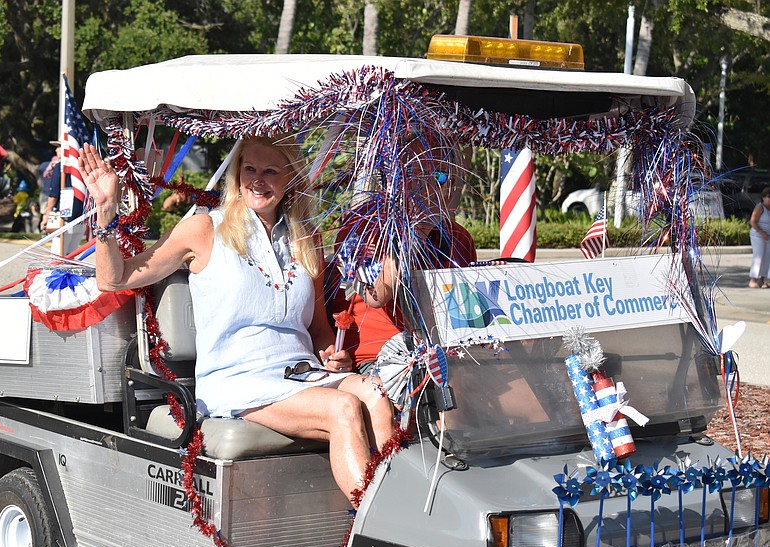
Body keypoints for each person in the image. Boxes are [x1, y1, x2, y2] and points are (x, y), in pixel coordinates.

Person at [79, 137, 394, 506]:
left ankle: (392, 517)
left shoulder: (306, 239)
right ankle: (382, 533)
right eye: (250, 170)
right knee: (343, 409)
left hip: (301, 374)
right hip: (239, 380)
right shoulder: (204, 229)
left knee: (376, 396)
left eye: (271, 171)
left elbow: (319, 330)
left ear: (291, 178)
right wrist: (105, 211)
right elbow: (114, 279)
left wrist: (331, 353)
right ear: (237, 174)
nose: (257, 180)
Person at [327, 139, 477, 408]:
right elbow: (376, 295)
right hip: (380, 358)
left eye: (439, 176)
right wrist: (411, 237)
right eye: (411, 174)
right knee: (439, 399)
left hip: (444, 353)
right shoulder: (363, 224)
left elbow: (464, 311)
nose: (426, 187)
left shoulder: (458, 237)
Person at [748, 186, 770, 288]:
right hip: (757, 235)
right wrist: (762, 233)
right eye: (769, 196)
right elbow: (752, 221)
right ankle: (752, 280)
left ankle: (762, 279)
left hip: (768, 236)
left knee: (767, 257)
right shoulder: (760, 207)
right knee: (759, 256)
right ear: (763, 197)